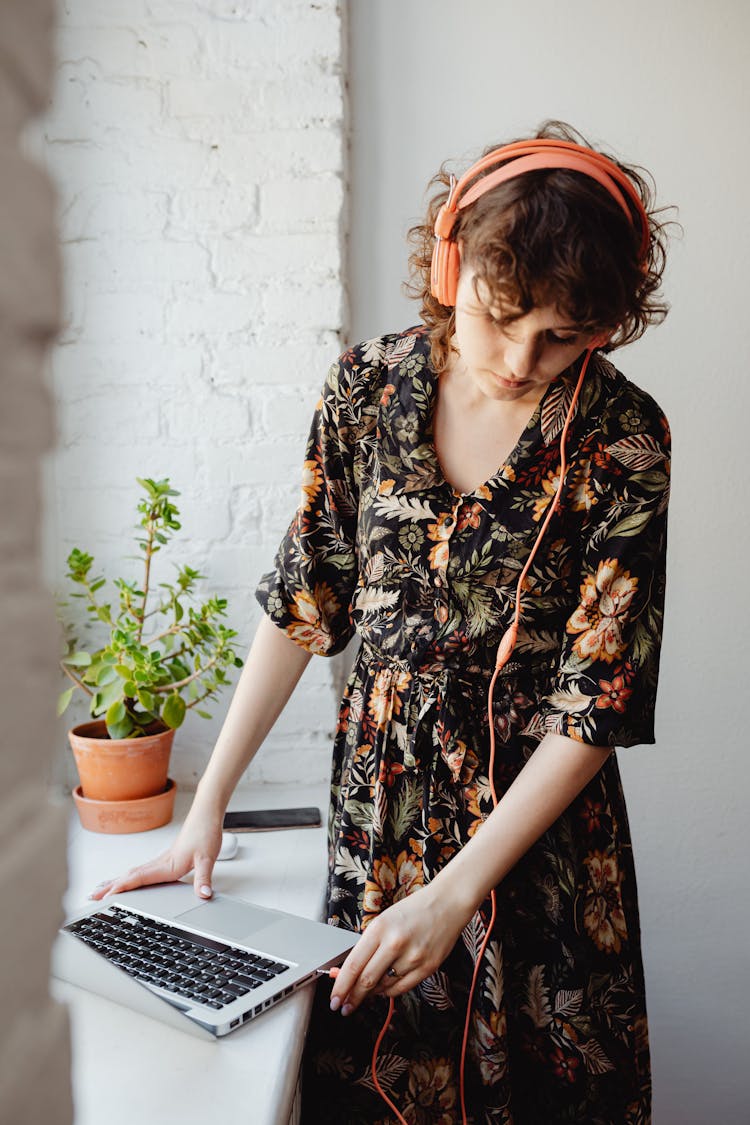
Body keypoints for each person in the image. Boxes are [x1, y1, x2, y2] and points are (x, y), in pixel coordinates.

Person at [91, 120, 673, 1124]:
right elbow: (303, 600)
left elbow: (598, 702)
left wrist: (457, 897)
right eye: (503, 318)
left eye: (564, 336)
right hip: (378, 822)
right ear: (451, 263)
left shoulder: (625, 438)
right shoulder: (366, 387)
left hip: (542, 847)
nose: (523, 358)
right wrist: (208, 802)